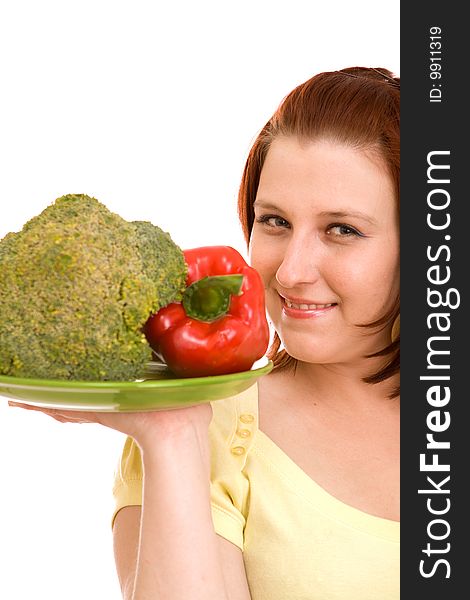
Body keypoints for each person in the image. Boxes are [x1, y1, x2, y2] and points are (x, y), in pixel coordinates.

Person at [11, 66, 400, 599]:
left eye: (342, 230)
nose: (289, 272)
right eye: (275, 222)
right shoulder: (212, 423)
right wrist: (171, 440)